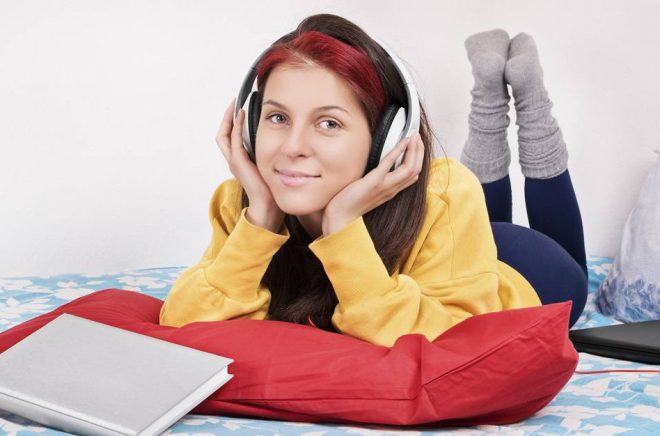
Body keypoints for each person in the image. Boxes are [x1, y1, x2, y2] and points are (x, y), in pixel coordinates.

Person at [159, 14, 587, 347]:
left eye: (328, 123)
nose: (292, 146)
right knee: (467, 215)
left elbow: (449, 345)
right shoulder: (245, 202)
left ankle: (526, 103)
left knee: (572, 272)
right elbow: (184, 322)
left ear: (386, 137)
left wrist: (343, 226)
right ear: (249, 125)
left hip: (529, 269)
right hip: (454, 256)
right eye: (276, 117)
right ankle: (491, 95)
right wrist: (261, 220)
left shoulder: (447, 195)